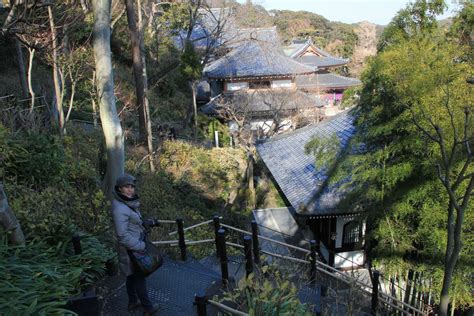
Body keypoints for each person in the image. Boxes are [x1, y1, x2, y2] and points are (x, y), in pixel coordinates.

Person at [111, 173, 158, 315]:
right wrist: (140, 246)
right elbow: (122, 235)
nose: (130, 190)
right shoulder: (120, 208)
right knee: (140, 278)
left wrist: (146, 223)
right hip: (132, 249)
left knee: (131, 276)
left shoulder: (127, 203)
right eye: (127, 187)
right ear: (119, 189)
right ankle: (148, 308)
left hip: (132, 247)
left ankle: (133, 302)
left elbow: (133, 222)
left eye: (132, 186)